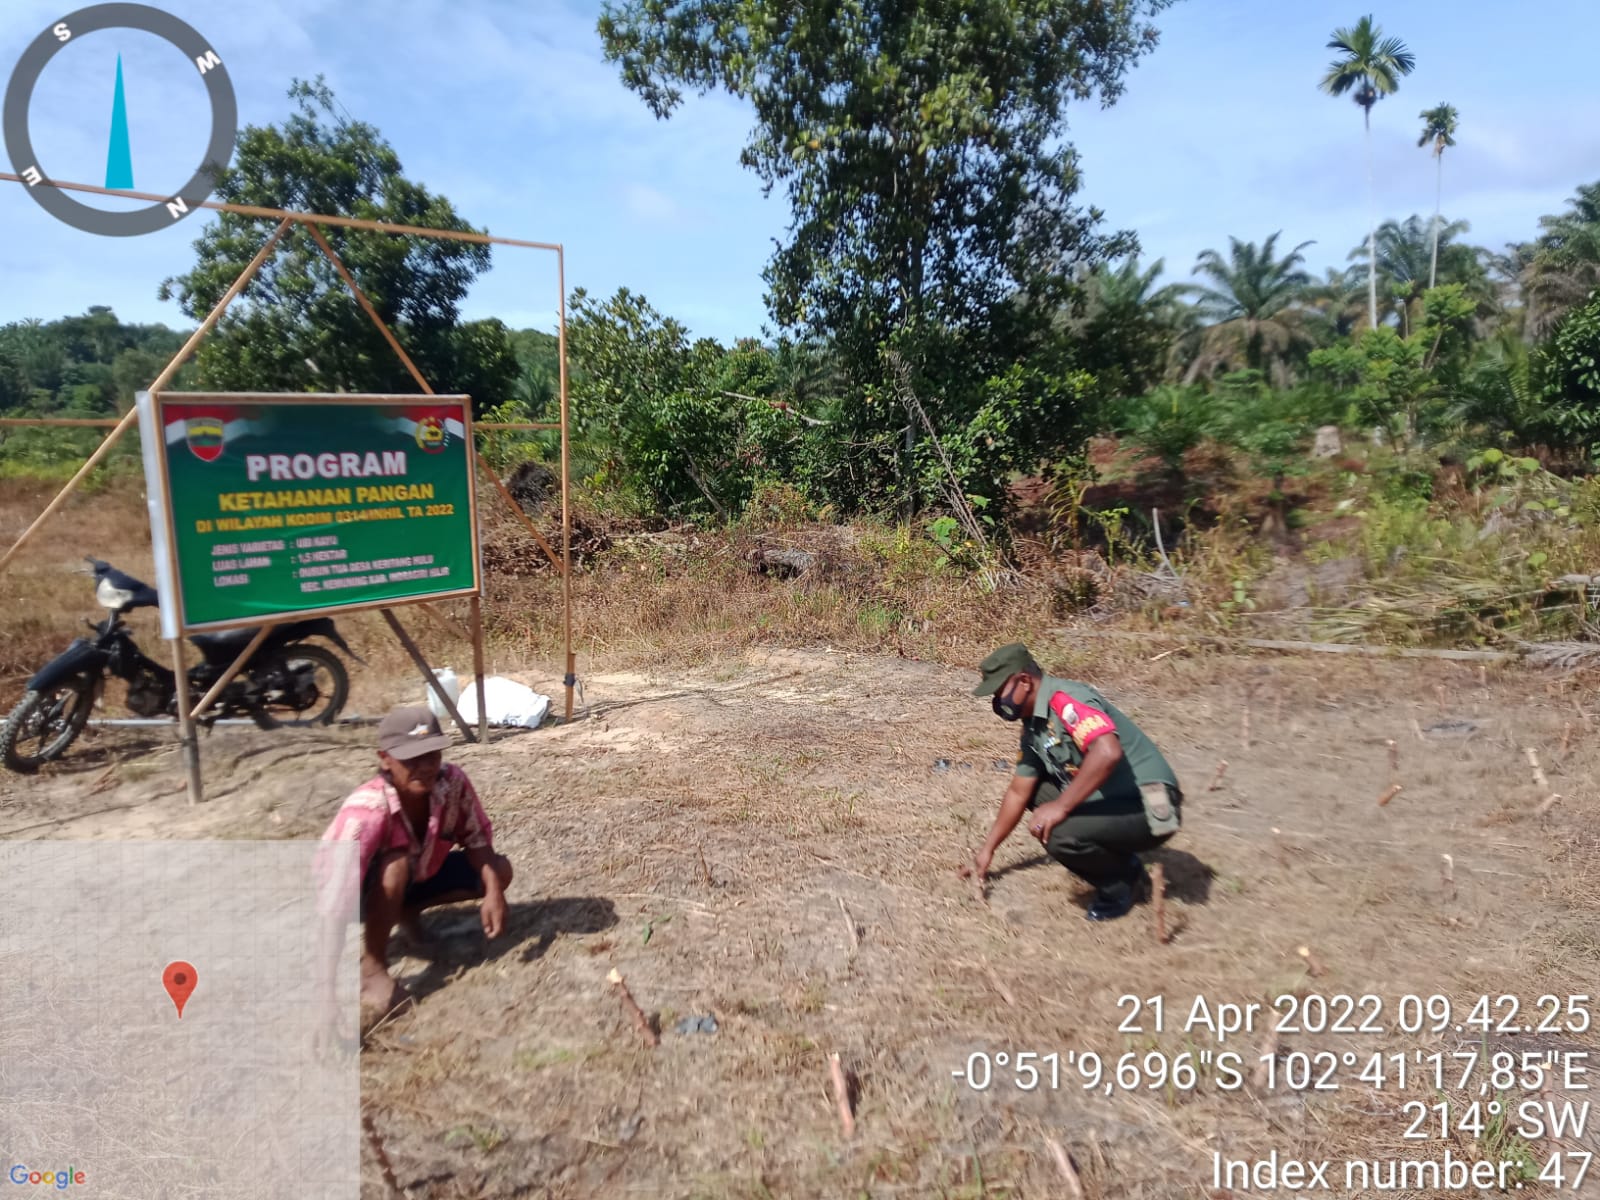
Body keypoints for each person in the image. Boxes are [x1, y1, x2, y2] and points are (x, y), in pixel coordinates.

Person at [315, 706, 514, 1022]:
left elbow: (476, 839)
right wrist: (325, 998)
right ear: (385, 758)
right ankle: (372, 966)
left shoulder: (452, 783)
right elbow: (333, 902)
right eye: (411, 760)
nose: (424, 768)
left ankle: (406, 913)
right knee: (396, 864)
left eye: (432, 756)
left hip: (416, 876)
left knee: (498, 870)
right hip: (358, 897)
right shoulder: (366, 812)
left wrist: (493, 892)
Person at [963, 643, 1182, 921]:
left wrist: (1061, 807)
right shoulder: (1034, 726)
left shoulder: (1066, 699)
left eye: (999, 691)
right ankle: (1113, 855)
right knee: (1036, 791)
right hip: (1117, 798)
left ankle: (1122, 883)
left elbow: (1107, 751)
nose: (997, 701)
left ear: (1025, 681)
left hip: (1154, 800)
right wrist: (987, 851)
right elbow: (1019, 792)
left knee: (1057, 833)